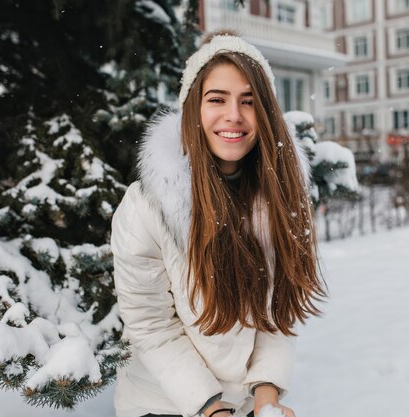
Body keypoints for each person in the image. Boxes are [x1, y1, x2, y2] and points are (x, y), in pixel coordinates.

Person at [110, 31, 326, 417]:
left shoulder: (282, 201)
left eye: (249, 101)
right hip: (160, 404)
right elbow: (150, 327)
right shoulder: (146, 206)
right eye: (217, 100)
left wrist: (267, 393)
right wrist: (210, 407)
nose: (234, 115)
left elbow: (278, 312)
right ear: (193, 107)